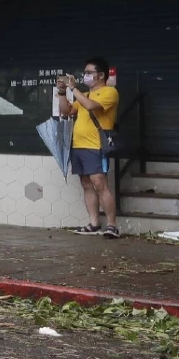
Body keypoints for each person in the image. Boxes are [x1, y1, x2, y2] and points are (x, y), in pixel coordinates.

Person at [56, 58, 121, 238]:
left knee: (99, 183)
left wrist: (73, 88)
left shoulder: (110, 92)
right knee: (86, 184)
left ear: (101, 75)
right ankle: (94, 223)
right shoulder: (85, 95)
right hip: (79, 146)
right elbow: (67, 111)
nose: (85, 75)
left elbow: (90, 106)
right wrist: (62, 92)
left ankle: (112, 225)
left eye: (89, 73)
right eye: (84, 73)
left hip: (96, 146)